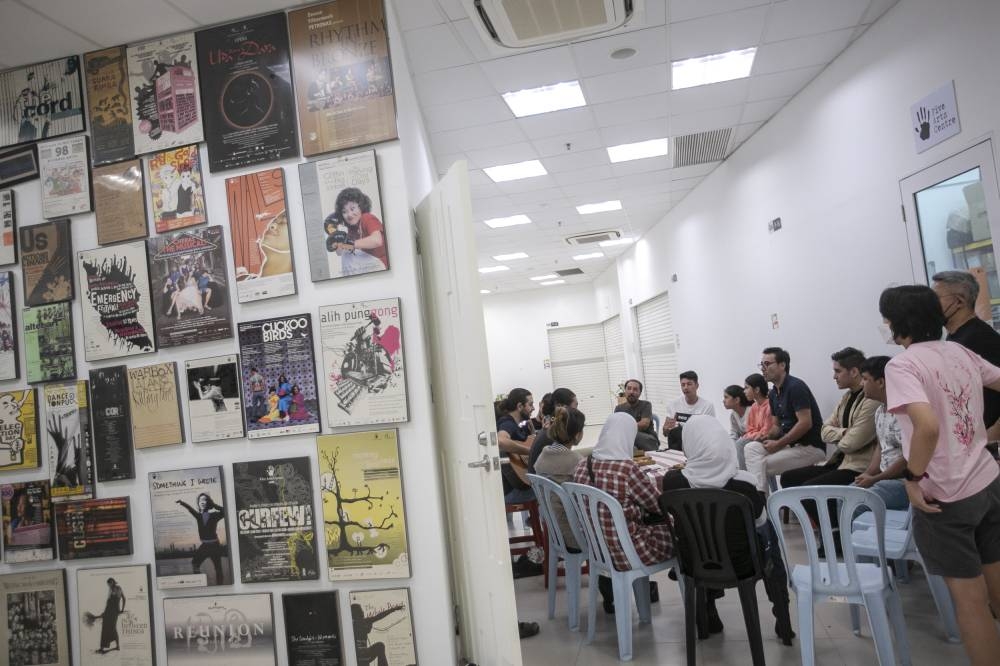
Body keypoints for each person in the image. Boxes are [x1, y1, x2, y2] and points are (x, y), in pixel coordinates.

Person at [880, 284, 1000, 666]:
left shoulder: (902, 365)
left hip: (944, 497)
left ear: (893, 323)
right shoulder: (959, 351)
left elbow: (927, 427)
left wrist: (913, 479)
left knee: (971, 604)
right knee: (996, 591)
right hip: (987, 480)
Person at [660, 415, 795, 644]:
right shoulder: (744, 483)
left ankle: (708, 611)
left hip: (694, 564)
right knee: (769, 535)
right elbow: (759, 521)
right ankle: (782, 617)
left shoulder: (673, 482)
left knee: (701, 537)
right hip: (743, 565)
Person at [573, 413, 672, 613]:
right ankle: (698, 606)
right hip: (629, 551)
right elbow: (656, 505)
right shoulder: (627, 469)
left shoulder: (582, 465)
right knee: (680, 532)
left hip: (597, 549)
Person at [779, 347, 879, 526]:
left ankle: (835, 534)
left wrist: (842, 435)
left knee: (808, 491)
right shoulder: (847, 397)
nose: (834, 376)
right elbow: (824, 430)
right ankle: (828, 526)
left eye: (837, 371)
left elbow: (851, 444)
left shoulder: (871, 400)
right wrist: (844, 432)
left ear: (854, 372)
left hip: (857, 467)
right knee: (788, 478)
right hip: (839, 462)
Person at [932, 270, 1000, 454]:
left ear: (959, 301)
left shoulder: (980, 339)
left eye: (935, 298)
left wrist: (993, 434)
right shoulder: (955, 338)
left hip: (984, 448)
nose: (930, 305)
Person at [743, 347, 826, 492]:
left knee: (759, 465)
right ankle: (762, 500)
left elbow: (805, 423)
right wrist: (767, 436)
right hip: (790, 446)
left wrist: (779, 444)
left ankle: (761, 503)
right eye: (761, 365)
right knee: (750, 448)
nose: (763, 368)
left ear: (782, 365)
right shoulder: (774, 393)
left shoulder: (796, 387)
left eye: (767, 364)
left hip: (810, 447)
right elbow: (776, 426)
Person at [853, 356, 908, 511]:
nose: (861, 383)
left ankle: (865, 536)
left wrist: (875, 479)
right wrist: (867, 475)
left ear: (881, 382)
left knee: (858, 504)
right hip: (882, 478)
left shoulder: (905, 414)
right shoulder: (879, 411)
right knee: (846, 495)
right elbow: (880, 446)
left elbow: (909, 457)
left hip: (903, 481)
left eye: (864, 379)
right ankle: (843, 536)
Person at [534, 406, 586, 549]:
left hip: (554, 531)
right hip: (574, 535)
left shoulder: (544, 454)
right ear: (577, 434)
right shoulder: (576, 462)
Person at [331, 187, 387, 272]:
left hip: (381, 265)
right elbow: (339, 253)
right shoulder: (352, 229)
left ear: (361, 207)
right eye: (344, 212)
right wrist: (338, 243)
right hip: (369, 267)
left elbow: (377, 241)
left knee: (348, 253)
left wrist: (349, 244)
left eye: (352, 209)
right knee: (346, 253)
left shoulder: (367, 218)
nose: (349, 214)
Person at [176, 493, 227, 585]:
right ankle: (200, 582)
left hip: (215, 546)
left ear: (209, 503)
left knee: (218, 568)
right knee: (195, 563)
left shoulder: (214, 515)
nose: (202, 502)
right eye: (200, 500)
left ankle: (220, 586)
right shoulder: (198, 516)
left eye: (205, 500)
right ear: (198, 503)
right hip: (204, 546)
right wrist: (182, 503)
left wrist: (214, 505)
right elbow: (190, 509)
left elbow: (225, 511)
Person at [495, 388, 535, 503]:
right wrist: (528, 451)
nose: (533, 408)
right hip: (511, 492)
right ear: (519, 406)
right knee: (550, 491)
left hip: (514, 487)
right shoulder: (507, 423)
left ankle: (532, 520)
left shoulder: (516, 426)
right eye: (530, 404)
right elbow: (501, 441)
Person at [662, 370, 716, 450]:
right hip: (678, 443)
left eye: (689, 384)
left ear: (697, 385)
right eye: (683, 385)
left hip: (698, 443)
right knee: (677, 431)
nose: (686, 388)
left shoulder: (707, 406)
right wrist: (666, 429)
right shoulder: (673, 404)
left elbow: (709, 432)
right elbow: (665, 433)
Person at [527, 388, 577, 472]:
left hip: (539, 480)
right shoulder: (554, 431)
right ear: (561, 406)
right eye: (575, 406)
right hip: (547, 480)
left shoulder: (550, 425)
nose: (577, 410)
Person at [736, 373, 773, 470]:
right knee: (741, 441)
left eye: (746, 388)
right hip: (755, 438)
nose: (744, 391)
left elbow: (766, 431)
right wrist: (752, 435)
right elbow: (750, 429)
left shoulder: (769, 406)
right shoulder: (754, 407)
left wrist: (751, 435)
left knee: (740, 443)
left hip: (768, 439)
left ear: (757, 390)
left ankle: (746, 479)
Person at [614, 379, 660, 451]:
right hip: (628, 442)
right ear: (625, 391)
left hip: (648, 441)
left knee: (628, 437)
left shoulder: (646, 405)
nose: (631, 392)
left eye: (635, 389)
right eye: (629, 388)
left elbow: (644, 424)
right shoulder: (619, 408)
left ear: (640, 393)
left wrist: (624, 430)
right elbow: (616, 427)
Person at [88, 577, 124, 653]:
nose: (109, 586)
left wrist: (122, 610)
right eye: (108, 585)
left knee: (112, 628)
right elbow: (110, 603)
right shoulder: (112, 589)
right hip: (110, 611)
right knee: (106, 628)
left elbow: (122, 599)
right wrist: (105, 612)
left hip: (113, 612)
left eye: (110, 584)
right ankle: (103, 648)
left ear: (113, 582)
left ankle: (117, 646)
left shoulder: (118, 588)